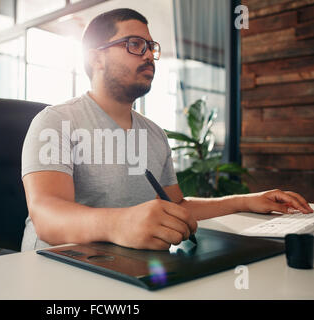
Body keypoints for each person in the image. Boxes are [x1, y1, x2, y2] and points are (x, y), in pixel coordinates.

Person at [20, 8, 313, 252]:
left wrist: (246, 200)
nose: (148, 55)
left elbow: (177, 204)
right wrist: (120, 224)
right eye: (135, 45)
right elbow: (47, 215)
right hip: (56, 269)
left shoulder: (154, 133)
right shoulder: (56, 121)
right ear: (96, 58)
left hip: (127, 266)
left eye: (151, 47)